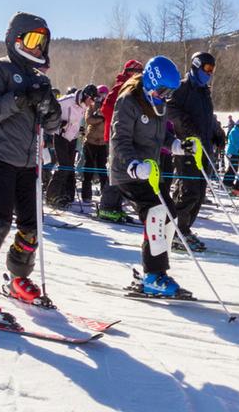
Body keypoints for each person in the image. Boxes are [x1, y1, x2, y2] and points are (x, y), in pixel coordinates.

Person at [0, 12, 62, 322]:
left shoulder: (41, 78)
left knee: (31, 226)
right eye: (33, 40)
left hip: (27, 163)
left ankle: (18, 278)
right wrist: (22, 98)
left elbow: (52, 125)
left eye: (43, 41)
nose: (39, 47)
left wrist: (50, 107)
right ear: (16, 40)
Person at [109, 55, 193, 297]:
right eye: (163, 91)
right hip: (128, 171)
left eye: (170, 93)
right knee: (157, 213)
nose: (166, 96)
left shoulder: (158, 103)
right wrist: (133, 164)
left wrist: (176, 144)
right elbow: (119, 139)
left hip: (150, 171)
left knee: (169, 213)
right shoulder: (128, 101)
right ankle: (153, 275)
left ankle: (156, 269)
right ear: (150, 82)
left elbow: (159, 136)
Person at [168, 52, 217, 253]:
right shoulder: (182, 87)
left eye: (212, 70)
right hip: (187, 147)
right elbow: (171, 110)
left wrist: (217, 133)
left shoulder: (205, 92)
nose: (209, 73)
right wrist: (187, 128)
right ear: (197, 65)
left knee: (199, 191)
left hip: (204, 147)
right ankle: (175, 230)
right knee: (188, 190)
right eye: (207, 69)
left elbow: (208, 118)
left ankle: (185, 229)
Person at [96, 59, 144, 222]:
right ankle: (107, 207)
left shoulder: (133, 87)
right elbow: (106, 107)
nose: (139, 75)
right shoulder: (122, 85)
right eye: (136, 71)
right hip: (117, 135)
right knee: (117, 171)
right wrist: (118, 124)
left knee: (123, 173)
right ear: (128, 71)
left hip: (127, 135)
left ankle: (114, 206)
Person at [45, 83, 97, 209]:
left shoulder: (83, 105)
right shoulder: (68, 101)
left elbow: (76, 119)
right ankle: (51, 195)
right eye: (91, 99)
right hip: (60, 136)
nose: (92, 103)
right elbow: (50, 111)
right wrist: (58, 123)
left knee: (70, 168)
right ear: (86, 95)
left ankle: (66, 194)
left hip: (72, 138)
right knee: (64, 166)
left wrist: (79, 129)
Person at [80, 85, 110, 204]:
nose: (102, 97)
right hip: (91, 141)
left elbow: (110, 119)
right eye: (100, 94)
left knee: (102, 169)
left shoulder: (107, 106)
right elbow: (89, 120)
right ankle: (86, 195)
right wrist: (100, 118)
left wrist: (102, 117)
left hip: (102, 142)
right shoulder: (92, 105)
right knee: (88, 168)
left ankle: (105, 194)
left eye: (104, 94)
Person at [224, 113, 239, 196]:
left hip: (235, 152)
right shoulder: (235, 131)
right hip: (233, 152)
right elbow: (236, 142)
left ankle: (229, 182)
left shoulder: (237, 130)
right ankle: (226, 182)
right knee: (232, 168)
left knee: (234, 168)